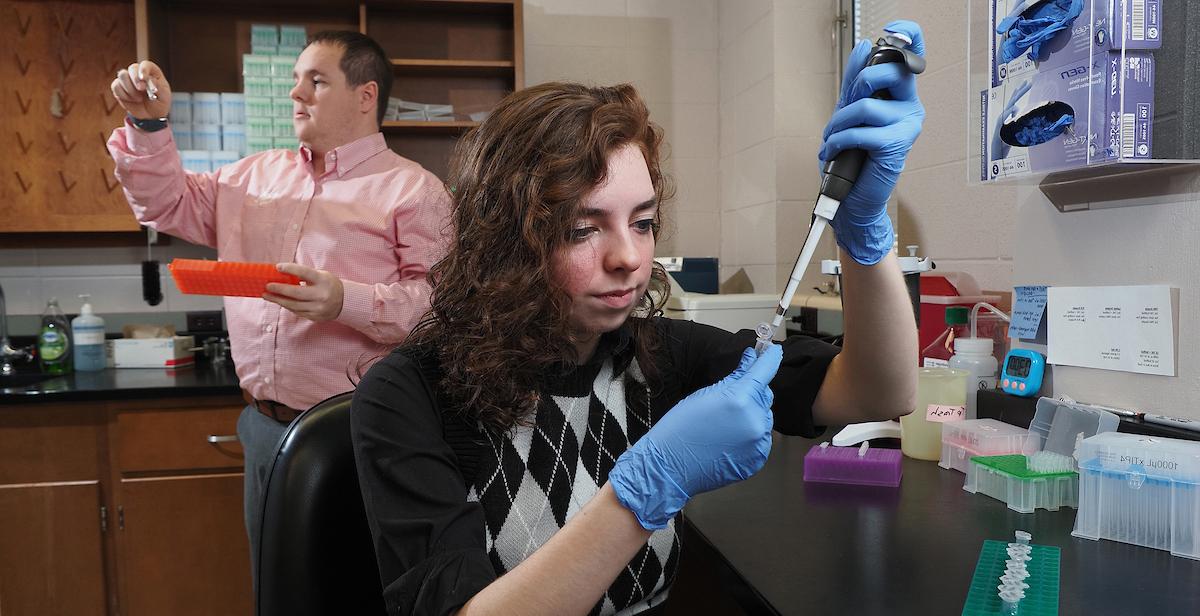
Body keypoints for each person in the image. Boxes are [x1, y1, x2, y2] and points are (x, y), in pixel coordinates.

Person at [351, 20, 925, 616]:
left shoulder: (654, 354)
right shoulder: (409, 393)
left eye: (643, 223)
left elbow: (878, 391)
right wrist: (646, 488)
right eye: (581, 229)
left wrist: (864, 232)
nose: (629, 257)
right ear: (504, 241)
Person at [106, 31, 451, 583]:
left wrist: (345, 300)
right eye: (295, 80)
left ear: (366, 95)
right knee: (279, 583)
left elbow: (440, 310)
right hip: (264, 428)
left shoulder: (414, 191)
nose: (296, 93)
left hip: (363, 432)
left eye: (315, 81)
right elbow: (164, 204)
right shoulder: (250, 178)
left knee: (360, 586)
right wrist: (148, 125)